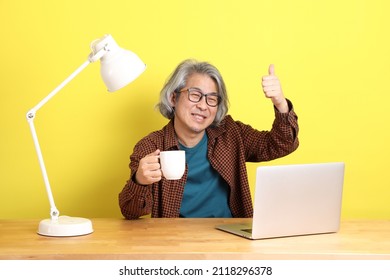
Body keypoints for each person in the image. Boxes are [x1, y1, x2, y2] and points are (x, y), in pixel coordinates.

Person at [119, 59, 299, 219]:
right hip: (176, 243)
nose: (203, 106)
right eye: (195, 95)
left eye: (212, 99)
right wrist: (139, 180)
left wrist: (280, 103)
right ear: (174, 98)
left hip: (230, 240)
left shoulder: (230, 133)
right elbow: (130, 211)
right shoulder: (151, 146)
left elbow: (281, 144)